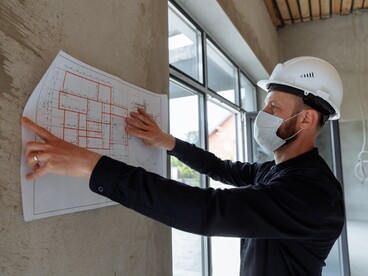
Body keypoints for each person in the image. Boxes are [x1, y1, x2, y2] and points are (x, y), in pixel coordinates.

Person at [22, 56, 345, 276]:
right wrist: (169, 142)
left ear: (305, 118)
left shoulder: (312, 192)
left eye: (274, 107)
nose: (262, 114)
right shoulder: (277, 170)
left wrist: (93, 166)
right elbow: (222, 168)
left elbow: (207, 211)